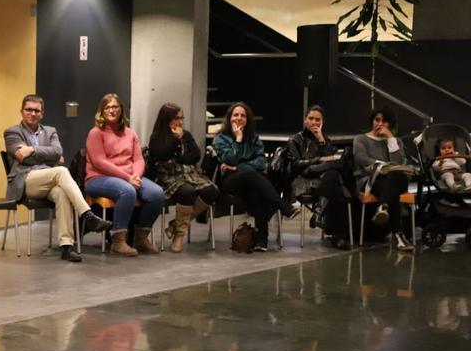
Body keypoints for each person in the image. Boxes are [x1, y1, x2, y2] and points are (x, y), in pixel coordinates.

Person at [3, 95, 112, 262]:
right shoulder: (12, 132)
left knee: (61, 192)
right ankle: (87, 215)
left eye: (37, 110)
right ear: (21, 112)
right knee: (61, 171)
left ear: (42, 113)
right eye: (29, 110)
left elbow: (57, 152)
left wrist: (31, 150)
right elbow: (22, 157)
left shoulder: (50, 131)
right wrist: (47, 155)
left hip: (48, 178)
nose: (33, 113)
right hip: (25, 181)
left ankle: (67, 247)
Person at [85, 93, 165, 256]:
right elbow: (100, 162)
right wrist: (128, 178)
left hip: (129, 177)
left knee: (157, 193)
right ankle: (118, 241)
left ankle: (140, 238)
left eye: (115, 107)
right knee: (126, 190)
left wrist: (135, 175)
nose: (112, 110)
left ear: (121, 109)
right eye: (107, 107)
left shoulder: (130, 133)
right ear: (101, 111)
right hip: (98, 178)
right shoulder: (96, 133)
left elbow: (138, 159)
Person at [213, 102, 299, 252]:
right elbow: (230, 160)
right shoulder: (221, 139)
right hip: (231, 181)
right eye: (236, 115)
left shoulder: (254, 138)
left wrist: (239, 166)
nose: (239, 118)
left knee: (256, 190)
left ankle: (261, 241)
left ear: (247, 119)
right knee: (251, 174)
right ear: (229, 118)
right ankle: (284, 207)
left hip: (252, 180)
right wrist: (238, 139)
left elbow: (261, 162)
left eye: (243, 116)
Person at [147, 103, 218, 253]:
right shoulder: (157, 137)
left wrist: (178, 158)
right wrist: (176, 141)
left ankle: (175, 226)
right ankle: (179, 236)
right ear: (166, 119)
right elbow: (162, 154)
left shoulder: (186, 134)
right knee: (188, 192)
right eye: (176, 118)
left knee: (211, 191)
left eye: (182, 118)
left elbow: (195, 155)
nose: (180, 122)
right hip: (168, 177)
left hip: (189, 174)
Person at [286, 105, 353, 250]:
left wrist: (321, 141)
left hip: (324, 182)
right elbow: (296, 164)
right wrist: (318, 160)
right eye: (311, 118)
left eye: (318, 120)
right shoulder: (295, 139)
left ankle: (319, 212)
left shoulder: (324, 139)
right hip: (303, 180)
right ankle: (337, 236)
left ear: (322, 122)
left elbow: (332, 159)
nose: (314, 122)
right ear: (305, 120)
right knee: (335, 175)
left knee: (335, 183)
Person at [352, 107, 414, 251]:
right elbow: (362, 159)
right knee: (391, 182)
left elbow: (399, 162)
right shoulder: (360, 139)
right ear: (372, 121)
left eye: (384, 121)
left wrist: (390, 138)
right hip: (370, 179)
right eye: (377, 120)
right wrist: (382, 166)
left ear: (390, 124)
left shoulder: (395, 141)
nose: (379, 124)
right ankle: (399, 236)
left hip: (393, 179)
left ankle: (383, 206)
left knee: (397, 176)